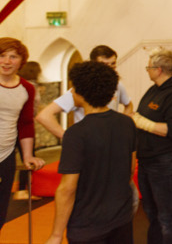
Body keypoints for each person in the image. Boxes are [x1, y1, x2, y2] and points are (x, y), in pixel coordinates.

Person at [44, 61, 136, 244]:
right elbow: (130, 170)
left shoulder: (76, 133)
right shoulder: (127, 123)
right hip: (122, 218)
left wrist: (56, 235)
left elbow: (67, 189)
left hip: (88, 225)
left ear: (80, 93)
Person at [133, 48, 172, 244]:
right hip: (148, 160)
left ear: (158, 70)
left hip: (167, 161)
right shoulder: (154, 90)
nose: (147, 70)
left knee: (168, 216)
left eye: (149, 67)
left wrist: (141, 122)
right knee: (152, 213)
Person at [36, 45, 133, 140]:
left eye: (113, 64)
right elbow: (44, 116)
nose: (110, 69)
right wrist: (68, 138)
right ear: (93, 64)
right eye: (104, 65)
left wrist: (120, 126)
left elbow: (128, 105)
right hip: (88, 140)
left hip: (110, 139)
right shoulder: (79, 90)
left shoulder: (117, 85)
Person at [0, 38, 46, 229]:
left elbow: (25, 123)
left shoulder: (26, 88)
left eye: (13, 56)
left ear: (21, 61)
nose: (7, 61)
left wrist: (27, 155)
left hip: (6, 155)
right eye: (2, 56)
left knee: (1, 211)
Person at [14, 61, 44, 201]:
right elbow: (32, 108)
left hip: (18, 125)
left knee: (24, 157)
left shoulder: (21, 84)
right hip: (22, 126)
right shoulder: (30, 86)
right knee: (28, 157)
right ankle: (22, 190)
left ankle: (22, 189)